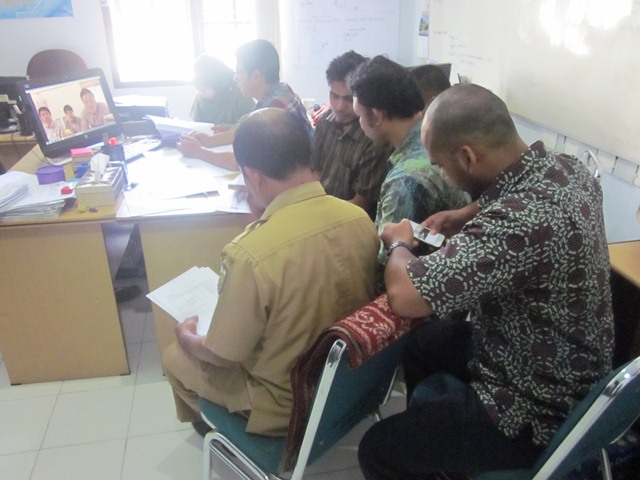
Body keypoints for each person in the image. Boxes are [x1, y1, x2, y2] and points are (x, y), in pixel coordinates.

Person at [359, 84, 615, 478]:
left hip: (536, 406)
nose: (442, 174)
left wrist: (399, 244)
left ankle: (446, 454)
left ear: (467, 156)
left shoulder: (518, 221)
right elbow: (514, 197)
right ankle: (442, 457)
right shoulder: (569, 170)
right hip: (567, 365)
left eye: (441, 166)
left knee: (379, 449)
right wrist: (467, 213)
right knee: (426, 343)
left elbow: (406, 295)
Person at [162, 107, 379, 437]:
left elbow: (222, 356)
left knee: (174, 355)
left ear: (253, 175)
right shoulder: (359, 218)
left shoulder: (250, 255)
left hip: (288, 405)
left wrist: (187, 336)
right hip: (349, 385)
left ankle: (222, 435)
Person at [347, 55, 468, 257]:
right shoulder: (441, 137)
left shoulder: (403, 182)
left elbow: (388, 263)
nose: (360, 123)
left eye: (359, 116)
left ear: (375, 116)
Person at [178, 39, 312, 171]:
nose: (235, 78)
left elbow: (240, 164)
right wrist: (209, 140)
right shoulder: (281, 91)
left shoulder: (272, 114)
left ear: (255, 76)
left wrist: (199, 151)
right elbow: (245, 131)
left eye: (238, 72)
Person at [311, 50, 391, 219]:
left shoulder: (373, 137)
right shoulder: (325, 121)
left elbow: (361, 204)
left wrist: (320, 214)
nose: (339, 106)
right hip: (319, 211)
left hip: (349, 219)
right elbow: (315, 171)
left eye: (348, 99)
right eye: (334, 96)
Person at [189, 53, 255, 125]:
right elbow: (197, 125)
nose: (203, 92)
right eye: (199, 88)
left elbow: (253, 125)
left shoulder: (240, 93)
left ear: (217, 81)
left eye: (206, 87)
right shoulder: (200, 96)